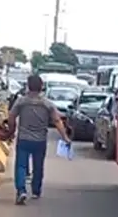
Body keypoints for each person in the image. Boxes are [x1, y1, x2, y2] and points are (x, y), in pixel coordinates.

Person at [6, 74, 71, 204]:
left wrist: (11, 131)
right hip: (40, 141)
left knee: (21, 166)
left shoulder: (21, 102)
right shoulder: (47, 104)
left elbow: (11, 117)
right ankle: (36, 191)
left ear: (28, 86)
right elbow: (57, 121)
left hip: (23, 139)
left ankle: (21, 190)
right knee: (38, 166)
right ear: (41, 87)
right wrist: (65, 137)